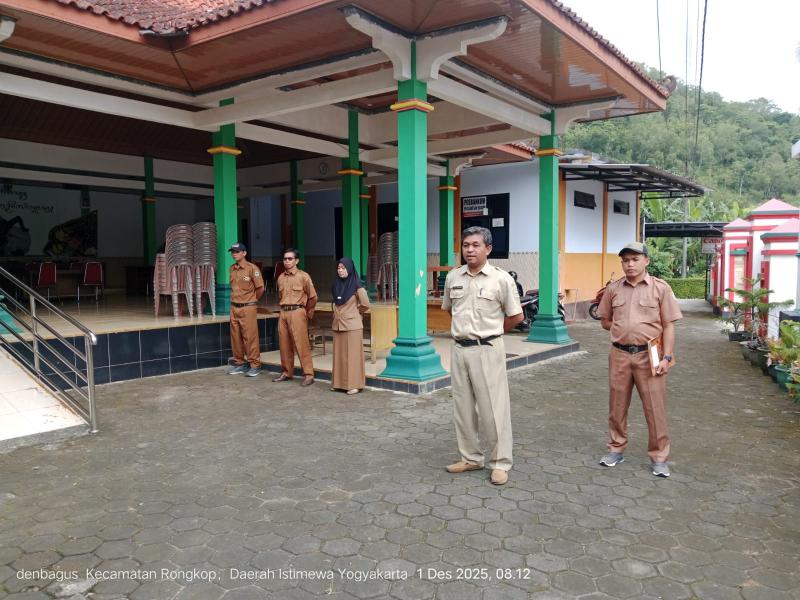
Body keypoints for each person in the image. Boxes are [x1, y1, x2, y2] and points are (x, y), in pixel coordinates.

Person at [441, 226, 523, 486]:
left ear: (488, 248)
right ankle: (471, 458)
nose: (470, 250)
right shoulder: (453, 277)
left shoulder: (501, 279)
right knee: (463, 408)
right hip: (459, 349)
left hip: (488, 349)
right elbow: (450, 310)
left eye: (476, 245)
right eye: (466, 245)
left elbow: (516, 316)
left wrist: (492, 332)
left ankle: (500, 463)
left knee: (493, 410)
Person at [596, 241, 682, 477]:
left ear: (647, 261)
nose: (630, 264)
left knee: (655, 408)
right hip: (619, 355)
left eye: (635, 259)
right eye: (625, 260)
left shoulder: (660, 288)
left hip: (650, 355)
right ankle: (616, 448)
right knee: (617, 405)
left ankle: (659, 456)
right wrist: (621, 328)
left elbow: (669, 325)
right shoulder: (613, 289)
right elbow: (604, 320)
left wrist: (667, 357)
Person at [273, 248, 317, 386]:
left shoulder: (303, 276)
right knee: (284, 344)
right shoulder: (280, 278)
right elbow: (280, 296)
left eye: (290, 259)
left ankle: (308, 374)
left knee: (301, 344)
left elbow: (313, 297)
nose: (287, 261)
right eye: (285, 259)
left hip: (297, 311)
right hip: (283, 312)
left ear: (296, 261)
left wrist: (306, 312)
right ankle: (287, 372)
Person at [330, 257, 370, 395]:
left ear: (350, 269)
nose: (340, 271)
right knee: (339, 356)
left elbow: (365, 304)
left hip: (352, 326)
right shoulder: (336, 284)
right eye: (338, 268)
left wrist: (355, 313)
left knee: (352, 357)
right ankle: (338, 384)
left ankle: (354, 385)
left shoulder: (357, 285)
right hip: (338, 324)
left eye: (343, 268)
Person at [227, 242, 264, 377]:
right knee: (235, 337)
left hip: (248, 307)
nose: (234, 254)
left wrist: (252, 300)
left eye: (237, 252)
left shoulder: (252, 268)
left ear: (244, 253)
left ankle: (255, 365)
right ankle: (240, 363)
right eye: (233, 252)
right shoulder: (232, 268)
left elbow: (260, 288)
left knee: (250, 337)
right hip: (234, 307)